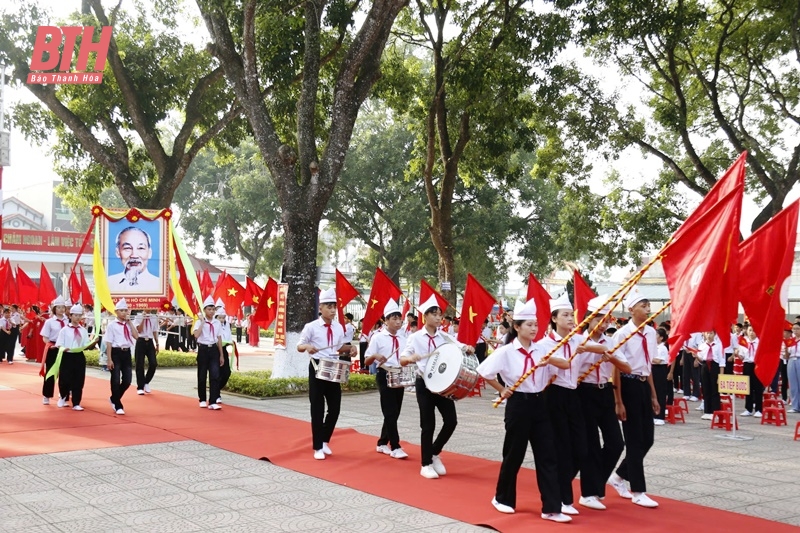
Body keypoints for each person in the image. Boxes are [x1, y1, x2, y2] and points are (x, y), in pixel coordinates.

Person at [477, 299, 572, 524]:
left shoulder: (542, 349)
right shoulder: (506, 352)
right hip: (518, 405)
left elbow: (565, 365)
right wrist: (502, 389)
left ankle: (551, 507)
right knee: (514, 454)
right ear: (517, 327)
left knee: (547, 456)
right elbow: (484, 372)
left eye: (536, 324)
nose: (533, 328)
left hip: (540, 404)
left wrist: (550, 361)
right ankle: (502, 498)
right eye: (529, 324)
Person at [537, 292, 609, 516]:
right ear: (554, 319)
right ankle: (563, 499)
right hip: (553, 396)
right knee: (561, 448)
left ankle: (562, 492)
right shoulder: (545, 343)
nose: (570, 319)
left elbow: (604, 348)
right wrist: (568, 356)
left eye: (572, 315)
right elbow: (559, 363)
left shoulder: (577, 339)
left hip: (573, 395)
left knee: (581, 448)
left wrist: (585, 347)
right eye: (565, 315)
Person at [399, 294, 475, 479]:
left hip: (442, 386)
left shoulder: (445, 336)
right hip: (424, 384)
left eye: (440, 314)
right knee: (428, 424)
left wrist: (468, 347)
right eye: (434, 314)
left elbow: (460, 346)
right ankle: (425, 464)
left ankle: (433, 452)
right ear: (425, 316)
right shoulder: (415, 338)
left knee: (451, 421)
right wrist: (410, 358)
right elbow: (402, 359)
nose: (439, 317)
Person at [576, 295, 631, 510]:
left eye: (607, 318)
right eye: (600, 318)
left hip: (605, 392)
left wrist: (613, 358)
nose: (604, 323)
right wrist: (589, 350)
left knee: (616, 443)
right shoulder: (577, 341)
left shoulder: (610, 342)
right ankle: (588, 493)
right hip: (584, 393)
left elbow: (627, 368)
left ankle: (598, 483)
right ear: (589, 319)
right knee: (591, 445)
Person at [607, 287, 660, 508]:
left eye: (648, 306)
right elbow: (616, 369)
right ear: (631, 309)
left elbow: (647, 367)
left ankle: (619, 475)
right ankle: (638, 490)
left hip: (643, 385)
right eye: (643, 306)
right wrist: (618, 400)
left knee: (648, 438)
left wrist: (654, 396)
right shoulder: (621, 335)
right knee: (634, 440)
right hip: (627, 386)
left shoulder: (650, 333)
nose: (648, 309)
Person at [297, 287, 357, 460]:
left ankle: (324, 440)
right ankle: (317, 447)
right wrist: (308, 346)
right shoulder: (311, 327)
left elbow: (339, 348)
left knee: (335, 408)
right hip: (317, 368)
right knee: (317, 408)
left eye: (334, 307)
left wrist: (351, 348)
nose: (332, 310)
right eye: (328, 306)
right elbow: (300, 346)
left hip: (333, 368)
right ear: (320, 308)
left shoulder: (339, 328)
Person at [365, 299, 409, 459]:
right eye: (394, 319)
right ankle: (395, 446)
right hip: (384, 375)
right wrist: (376, 356)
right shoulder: (378, 337)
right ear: (386, 320)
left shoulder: (404, 338)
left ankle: (382, 442)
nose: (398, 322)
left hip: (399, 375)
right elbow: (366, 360)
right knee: (390, 411)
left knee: (394, 412)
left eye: (400, 319)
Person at [55, 304, 95, 411]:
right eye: (75, 315)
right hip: (67, 355)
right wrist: (64, 348)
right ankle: (63, 397)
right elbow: (59, 344)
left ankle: (76, 402)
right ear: (70, 316)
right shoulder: (64, 330)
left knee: (79, 379)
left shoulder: (83, 330)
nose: (77, 318)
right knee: (65, 379)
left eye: (79, 315)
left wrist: (93, 342)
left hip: (78, 356)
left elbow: (85, 344)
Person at [104, 298, 139, 415]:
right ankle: (118, 404)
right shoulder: (112, 325)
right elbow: (108, 342)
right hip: (116, 352)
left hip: (126, 352)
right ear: (117, 312)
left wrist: (130, 323)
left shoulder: (128, 324)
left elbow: (136, 336)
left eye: (126, 310)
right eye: (122, 310)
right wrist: (109, 359)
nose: (124, 313)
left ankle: (114, 398)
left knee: (127, 380)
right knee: (115, 379)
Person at [193, 296, 225, 410]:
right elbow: (196, 335)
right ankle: (202, 399)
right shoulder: (199, 322)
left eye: (213, 309)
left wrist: (221, 354)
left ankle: (213, 401)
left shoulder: (217, 323)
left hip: (213, 350)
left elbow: (219, 338)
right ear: (205, 310)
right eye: (209, 309)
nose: (211, 311)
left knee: (215, 375)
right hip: (203, 349)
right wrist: (202, 322)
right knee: (202, 375)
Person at [106, 226, 160, 291]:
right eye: (127, 248)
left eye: (141, 248)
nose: (134, 255)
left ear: (149, 253)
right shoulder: (108, 283)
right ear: (118, 252)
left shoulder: (159, 285)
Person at [40, 296, 68, 404]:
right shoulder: (49, 322)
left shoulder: (68, 321)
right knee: (51, 373)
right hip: (53, 348)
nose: (61, 309)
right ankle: (47, 395)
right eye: (59, 307)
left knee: (65, 373)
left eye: (63, 307)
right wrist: (50, 345)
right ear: (54, 309)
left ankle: (63, 395)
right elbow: (45, 337)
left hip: (65, 349)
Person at [696, 331, 723, 421]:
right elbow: (700, 360)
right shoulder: (702, 346)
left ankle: (715, 411)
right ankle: (707, 411)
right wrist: (695, 356)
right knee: (705, 388)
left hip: (714, 366)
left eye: (711, 333)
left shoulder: (719, 346)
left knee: (714, 389)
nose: (709, 335)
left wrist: (721, 376)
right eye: (707, 333)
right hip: (704, 366)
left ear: (715, 334)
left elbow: (722, 362)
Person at [739, 325, 763, 417]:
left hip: (757, 365)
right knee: (747, 387)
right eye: (750, 330)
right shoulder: (743, 342)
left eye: (753, 330)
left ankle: (759, 409)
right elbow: (742, 357)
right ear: (747, 331)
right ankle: (748, 409)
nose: (751, 332)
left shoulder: (760, 342)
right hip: (747, 365)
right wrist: (738, 354)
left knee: (757, 388)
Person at [134, 308, 159, 395]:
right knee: (140, 364)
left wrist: (157, 343)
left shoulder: (154, 317)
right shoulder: (138, 316)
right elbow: (139, 330)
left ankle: (146, 381)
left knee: (153, 363)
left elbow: (155, 331)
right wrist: (143, 319)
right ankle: (140, 386)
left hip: (150, 341)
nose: (149, 308)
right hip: (141, 340)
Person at [652, 327, 674, 425]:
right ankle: (654, 414)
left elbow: (658, 360)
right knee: (654, 393)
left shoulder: (663, 347)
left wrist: (649, 358)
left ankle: (660, 416)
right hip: (653, 369)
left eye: (656, 335)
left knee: (660, 393)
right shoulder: (654, 347)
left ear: (661, 337)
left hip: (660, 370)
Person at [216, 301, 233, 404]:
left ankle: (216, 389)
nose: (222, 320)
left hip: (224, 350)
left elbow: (228, 336)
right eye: (220, 318)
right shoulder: (213, 325)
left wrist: (230, 342)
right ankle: (216, 394)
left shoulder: (226, 325)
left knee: (227, 372)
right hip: (215, 351)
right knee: (216, 373)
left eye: (223, 318)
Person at [787, 322, 800, 414]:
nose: (795, 331)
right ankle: (795, 406)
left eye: (797, 329)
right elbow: (786, 355)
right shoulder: (790, 341)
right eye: (794, 329)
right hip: (791, 360)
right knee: (793, 384)